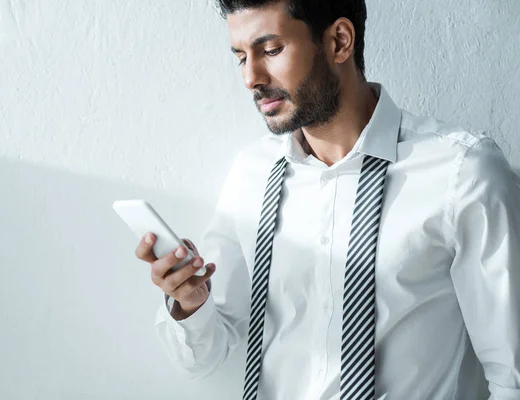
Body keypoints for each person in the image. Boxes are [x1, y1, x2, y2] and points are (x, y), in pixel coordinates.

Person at [134, 0, 520, 398]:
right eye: (240, 58)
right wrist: (192, 304)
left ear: (339, 41)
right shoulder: (251, 176)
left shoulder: (461, 172)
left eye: (270, 51)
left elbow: (512, 374)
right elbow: (206, 357)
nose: (251, 77)